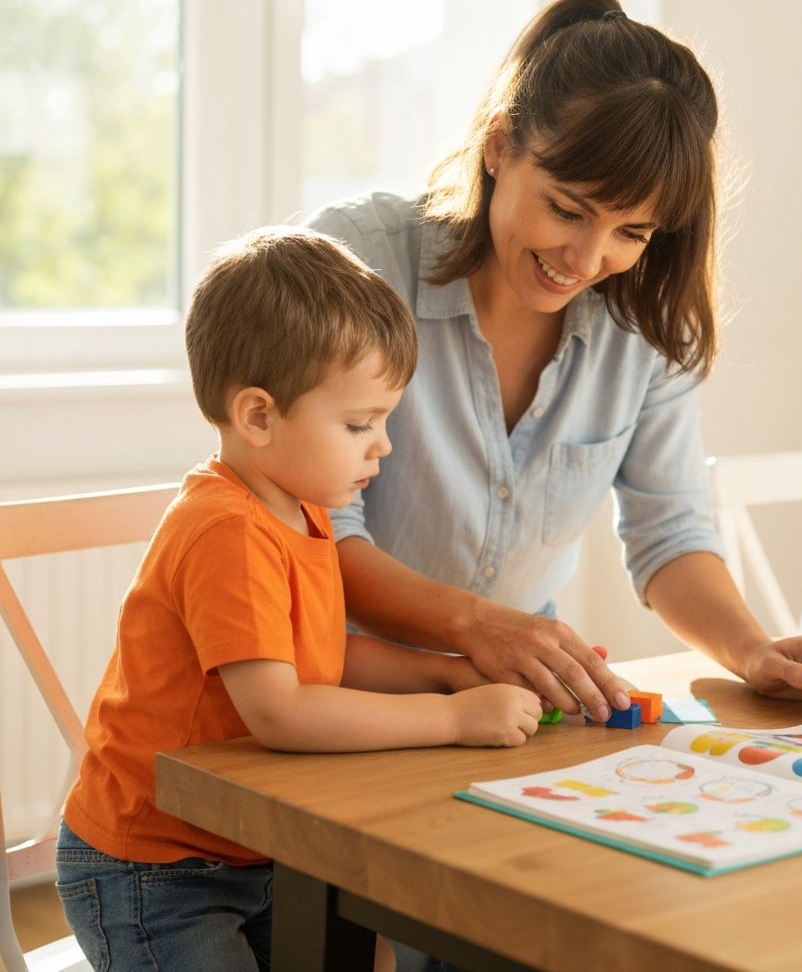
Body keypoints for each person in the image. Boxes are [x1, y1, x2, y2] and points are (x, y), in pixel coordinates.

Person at [307, 0, 802, 721]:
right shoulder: (361, 262)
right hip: (332, 697)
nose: (586, 257)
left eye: (631, 233)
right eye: (567, 210)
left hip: (509, 708)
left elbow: (669, 530)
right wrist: (477, 628)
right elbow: (316, 531)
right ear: (499, 144)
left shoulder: (642, 325)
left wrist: (751, 650)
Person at [55, 228, 541, 972]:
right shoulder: (226, 528)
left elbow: (324, 656)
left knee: (369, 952)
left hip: (257, 844)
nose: (382, 446)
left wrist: (443, 672)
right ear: (257, 417)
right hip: (156, 867)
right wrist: (450, 716)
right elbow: (280, 709)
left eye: (384, 422)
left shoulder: (300, 508)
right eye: (359, 424)